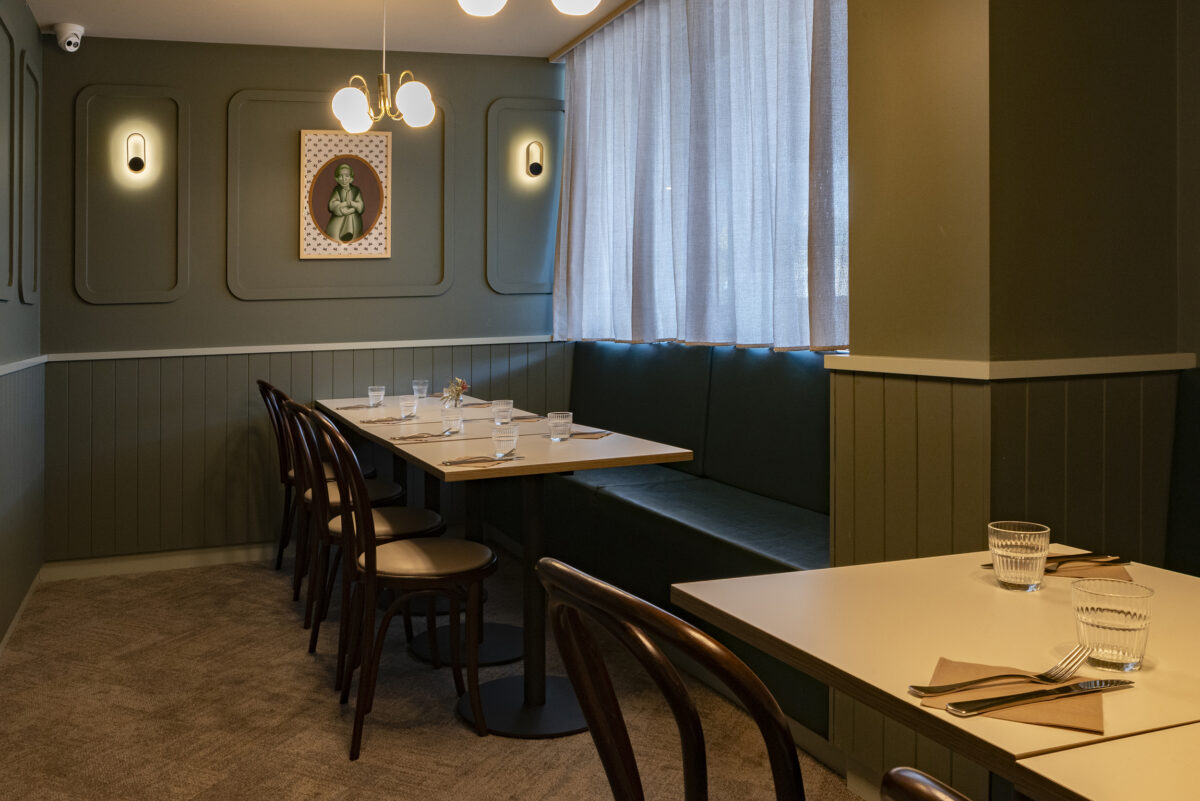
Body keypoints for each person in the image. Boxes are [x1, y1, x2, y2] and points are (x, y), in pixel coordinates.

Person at [325, 163, 364, 242]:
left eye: (347, 176)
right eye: (340, 176)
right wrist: (343, 205)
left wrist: (352, 205)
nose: (344, 179)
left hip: (354, 220)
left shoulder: (356, 190)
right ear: (337, 179)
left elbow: (360, 205)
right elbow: (332, 205)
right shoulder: (337, 190)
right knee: (334, 236)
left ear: (351, 179)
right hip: (340, 219)